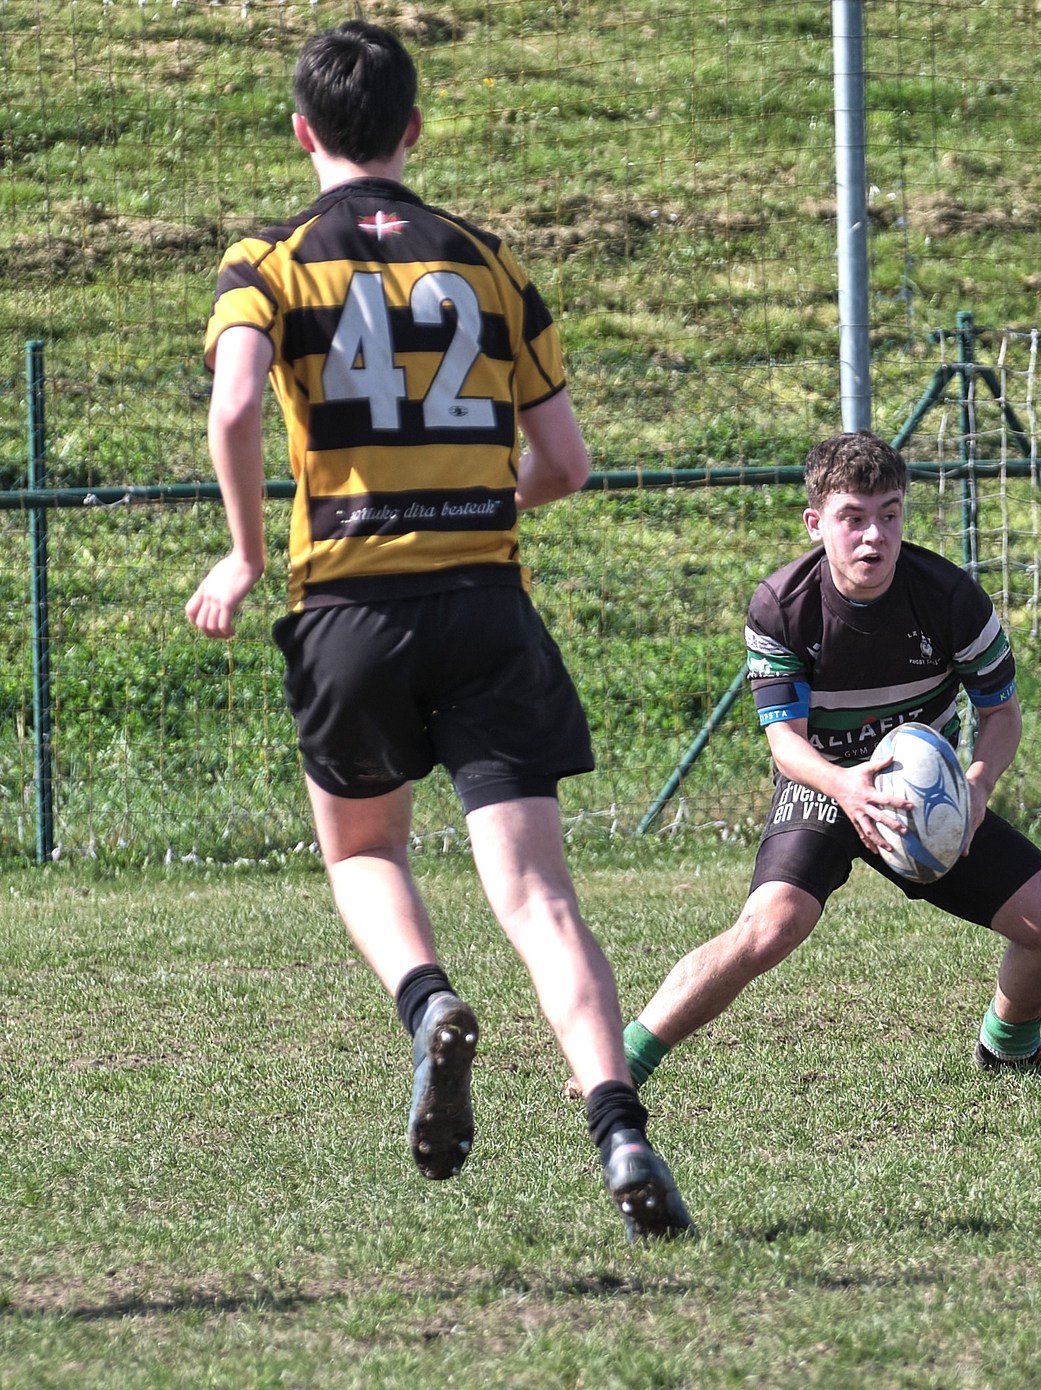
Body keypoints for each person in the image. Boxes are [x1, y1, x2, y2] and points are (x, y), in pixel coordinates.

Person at [186, 21, 689, 1242]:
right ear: (414, 130)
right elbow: (564, 462)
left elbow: (240, 401)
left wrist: (248, 555)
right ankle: (620, 1130)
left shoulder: (266, 261)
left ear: (302, 129)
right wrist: (470, 495)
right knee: (539, 896)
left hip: (350, 611)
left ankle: (425, 1006)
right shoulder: (488, 262)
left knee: (365, 854)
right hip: (483, 606)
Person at [606, 431, 1041, 1090]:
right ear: (817, 524)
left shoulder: (952, 600)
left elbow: (1002, 716)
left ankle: (1010, 1047)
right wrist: (844, 785)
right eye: (853, 517)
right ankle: (617, 1067)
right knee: (769, 929)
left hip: (923, 796)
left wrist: (978, 784)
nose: (873, 535)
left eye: (889, 514)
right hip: (824, 781)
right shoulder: (782, 606)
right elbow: (785, 743)